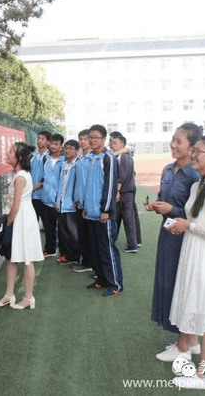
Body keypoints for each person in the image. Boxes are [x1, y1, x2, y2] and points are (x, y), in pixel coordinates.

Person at [166, 136, 205, 389]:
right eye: (193, 151)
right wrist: (182, 225)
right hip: (194, 252)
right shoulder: (198, 186)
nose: (193, 155)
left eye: (198, 152)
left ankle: (203, 376)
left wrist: (188, 226)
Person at [145, 122, 203, 361]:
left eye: (179, 141)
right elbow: (163, 197)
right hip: (167, 232)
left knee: (181, 285)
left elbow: (196, 213)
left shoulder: (195, 174)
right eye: (173, 140)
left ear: (192, 147)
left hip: (186, 238)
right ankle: (190, 340)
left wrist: (173, 209)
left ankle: (184, 343)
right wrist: (157, 205)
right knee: (166, 281)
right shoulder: (168, 169)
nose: (173, 145)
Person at [0, 142, 45, 310]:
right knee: (12, 258)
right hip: (23, 216)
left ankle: (28, 297)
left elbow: (15, 206)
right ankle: (9, 295)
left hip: (21, 218)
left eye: (10, 152)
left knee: (26, 259)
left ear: (19, 158)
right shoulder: (22, 174)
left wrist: (8, 222)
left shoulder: (20, 176)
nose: (7, 154)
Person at [79, 125, 123, 296]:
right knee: (95, 249)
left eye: (96, 137)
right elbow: (88, 185)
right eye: (90, 137)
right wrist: (84, 207)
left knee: (107, 249)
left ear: (103, 139)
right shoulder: (90, 158)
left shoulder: (108, 158)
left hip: (103, 214)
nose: (92, 140)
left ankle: (115, 284)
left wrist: (106, 210)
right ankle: (101, 279)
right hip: (90, 212)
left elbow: (110, 186)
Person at [109, 133, 142, 252]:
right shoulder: (124, 156)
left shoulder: (123, 157)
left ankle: (132, 244)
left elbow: (121, 176)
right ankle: (116, 239)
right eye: (111, 143)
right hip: (127, 191)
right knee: (120, 216)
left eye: (115, 143)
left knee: (127, 218)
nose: (112, 145)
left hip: (125, 192)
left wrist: (118, 191)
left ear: (122, 144)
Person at [37, 133, 65, 257]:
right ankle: (50, 249)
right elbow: (43, 179)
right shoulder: (45, 159)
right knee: (49, 227)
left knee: (64, 230)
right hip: (46, 199)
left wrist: (60, 199)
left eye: (56, 144)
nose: (53, 146)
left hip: (61, 201)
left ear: (61, 146)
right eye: (51, 143)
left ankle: (64, 252)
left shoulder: (65, 160)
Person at [71, 128, 94, 273]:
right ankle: (86, 262)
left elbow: (91, 184)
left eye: (86, 139)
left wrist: (87, 204)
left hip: (90, 206)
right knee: (82, 235)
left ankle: (92, 263)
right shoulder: (79, 160)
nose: (83, 142)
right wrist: (75, 200)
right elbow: (78, 182)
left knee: (91, 237)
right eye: (81, 139)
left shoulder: (93, 159)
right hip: (79, 204)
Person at [55, 140, 81, 266]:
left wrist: (76, 201)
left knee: (73, 233)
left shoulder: (78, 164)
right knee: (63, 232)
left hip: (72, 206)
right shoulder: (63, 164)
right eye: (66, 148)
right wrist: (57, 201)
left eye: (71, 148)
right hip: (61, 204)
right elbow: (59, 184)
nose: (67, 150)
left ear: (76, 151)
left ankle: (77, 256)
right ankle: (66, 255)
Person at [31, 131, 51, 221]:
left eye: (42, 139)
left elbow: (50, 176)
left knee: (48, 229)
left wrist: (37, 186)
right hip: (32, 197)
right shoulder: (31, 157)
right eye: (38, 138)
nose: (39, 141)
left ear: (48, 142)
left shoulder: (50, 157)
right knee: (32, 227)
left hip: (45, 199)